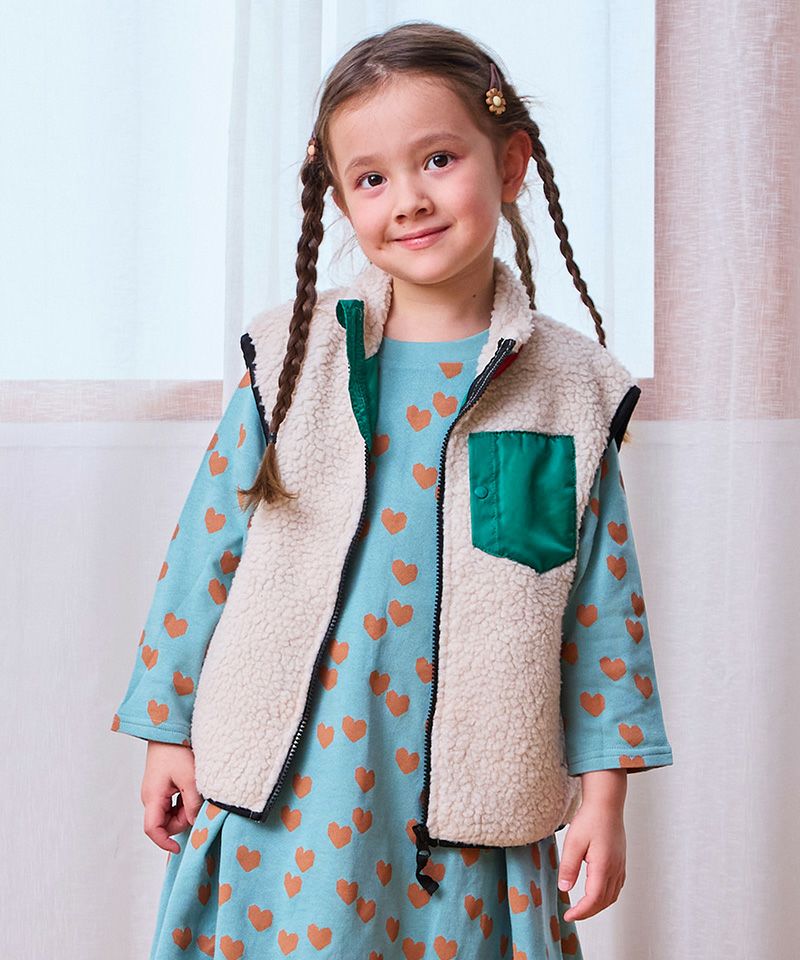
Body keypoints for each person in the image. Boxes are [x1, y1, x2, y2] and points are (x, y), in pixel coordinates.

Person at [111, 21, 674, 959]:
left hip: (467, 814)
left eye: (439, 160)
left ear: (511, 163)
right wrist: (166, 729)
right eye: (371, 179)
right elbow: (207, 552)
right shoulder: (290, 360)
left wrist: (604, 798)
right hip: (291, 790)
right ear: (340, 199)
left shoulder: (572, 391)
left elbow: (601, 612)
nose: (408, 199)